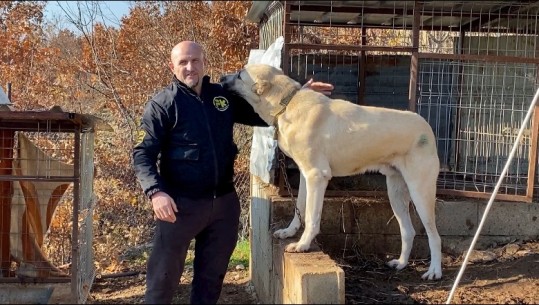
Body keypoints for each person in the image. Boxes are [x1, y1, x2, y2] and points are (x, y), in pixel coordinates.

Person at [133, 40, 334, 304]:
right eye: (183, 62)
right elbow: (142, 153)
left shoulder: (221, 97)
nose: (190, 67)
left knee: (211, 279)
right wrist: (156, 192)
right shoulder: (162, 105)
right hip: (180, 207)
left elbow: (265, 112)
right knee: (163, 279)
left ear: (204, 62)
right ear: (172, 66)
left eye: (195, 60)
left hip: (224, 207)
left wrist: (300, 95)